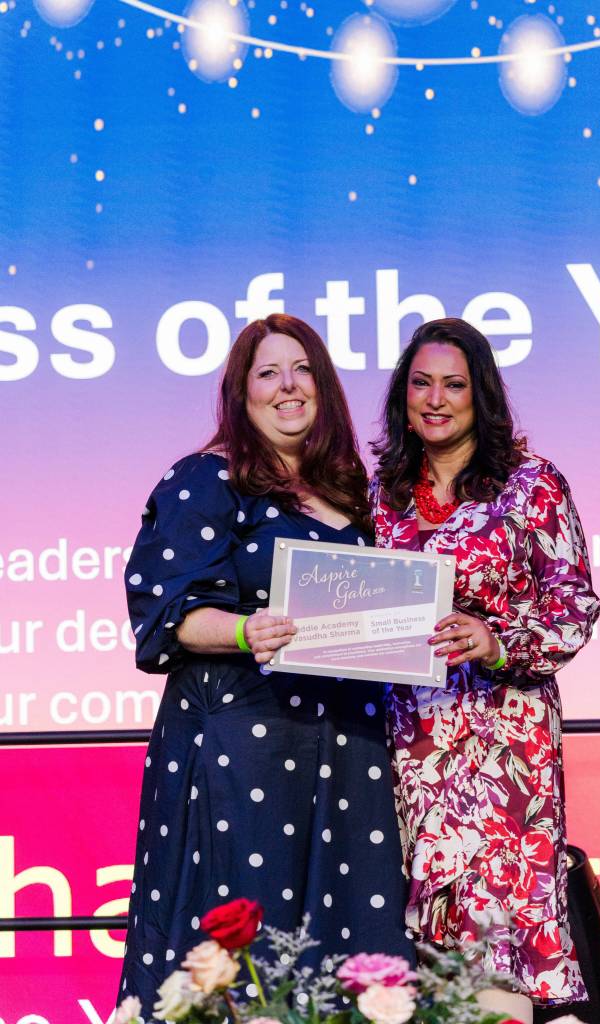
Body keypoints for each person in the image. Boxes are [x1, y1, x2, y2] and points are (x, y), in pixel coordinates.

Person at [118, 314, 413, 1015]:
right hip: (242, 742)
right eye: (268, 373)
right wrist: (247, 630)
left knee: (349, 934)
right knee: (245, 933)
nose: (288, 386)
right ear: (241, 393)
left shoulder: (352, 492)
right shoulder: (206, 478)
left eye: (302, 369)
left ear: (324, 387)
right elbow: (169, 615)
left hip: (345, 742)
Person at [371, 318, 600, 1018]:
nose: (434, 399)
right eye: (420, 383)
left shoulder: (530, 485)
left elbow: (575, 606)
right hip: (407, 742)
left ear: (482, 397)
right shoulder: (376, 492)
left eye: (453, 385)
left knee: (500, 931)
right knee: (421, 941)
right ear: (401, 393)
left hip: (505, 746)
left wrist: (497, 640)